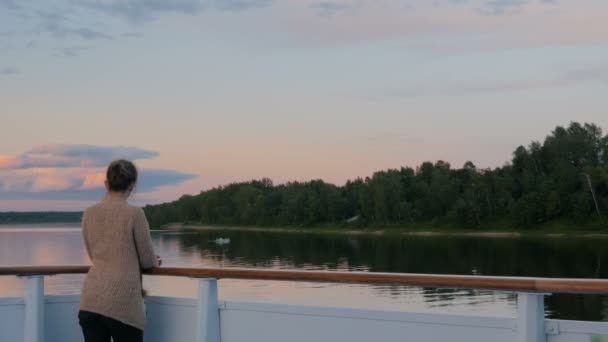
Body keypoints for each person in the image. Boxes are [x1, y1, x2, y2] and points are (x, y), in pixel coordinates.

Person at [78, 159, 161, 342]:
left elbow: (93, 255)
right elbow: (147, 261)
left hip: (90, 300)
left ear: (106, 184)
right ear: (132, 185)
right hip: (122, 304)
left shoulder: (89, 213)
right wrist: (155, 261)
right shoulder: (134, 214)